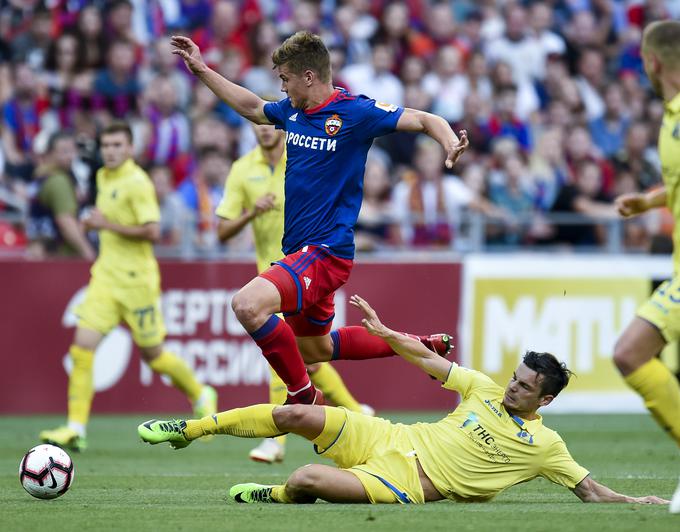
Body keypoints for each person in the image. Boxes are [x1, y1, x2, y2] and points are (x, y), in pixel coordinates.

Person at [138, 295, 668, 507]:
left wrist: (635, 504)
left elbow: (591, 492)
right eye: (514, 377)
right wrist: (387, 332)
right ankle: (189, 430)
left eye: (524, 387)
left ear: (544, 399)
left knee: (304, 480)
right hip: (394, 436)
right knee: (294, 413)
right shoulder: (483, 387)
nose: (510, 388)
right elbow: (426, 360)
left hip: (404, 483)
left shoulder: (546, 445)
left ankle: (272, 496)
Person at [170, 30, 467, 405]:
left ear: (308, 76)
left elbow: (424, 119)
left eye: (285, 79)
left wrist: (449, 142)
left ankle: (303, 394)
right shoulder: (292, 111)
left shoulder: (355, 112)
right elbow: (250, 106)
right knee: (315, 350)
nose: (282, 88)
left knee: (247, 305)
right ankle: (419, 345)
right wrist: (201, 70)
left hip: (326, 250)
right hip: (299, 251)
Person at [40, 121, 217, 452]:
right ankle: (75, 428)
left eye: (117, 145)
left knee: (154, 357)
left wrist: (106, 224)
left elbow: (152, 231)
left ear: (130, 148)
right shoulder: (102, 176)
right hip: (106, 277)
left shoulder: (138, 183)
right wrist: (96, 223)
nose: (110, 151)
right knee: (81, 349)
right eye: (106, 145)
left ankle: (200, 393)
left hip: (138, 283)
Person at [216, 122, 376, 464]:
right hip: (270, 275)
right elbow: (222, 231)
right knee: (309, 354)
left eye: (269, 125)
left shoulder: (304, 158)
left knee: (292, 354)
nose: (263, 131)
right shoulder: (242, 170)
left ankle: (277, 441)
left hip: (309, 267)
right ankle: (357, 412)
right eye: (256, 126)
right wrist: (250, 213)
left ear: (284, 129)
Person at [613, 20, 680, 514]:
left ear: (654, 63)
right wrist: (651, 201)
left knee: (631, 352)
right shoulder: (671, 116)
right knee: (630, 354)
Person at [26, 131, 96, 260]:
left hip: (39, 254)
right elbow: (65, 221)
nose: (69, 156)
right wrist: (88, 252)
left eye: (72, 151)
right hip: (60, 257)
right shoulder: (59, 181)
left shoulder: (40, 177)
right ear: (50, 154)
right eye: (63, 151)